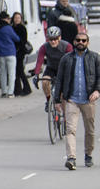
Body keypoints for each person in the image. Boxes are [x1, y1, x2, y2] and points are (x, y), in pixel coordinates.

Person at [53, 32, 100, 170]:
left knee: (90, 130)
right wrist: (57, 100)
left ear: (87, 43)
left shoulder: (95, 58)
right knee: (70, 129)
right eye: (78, 40)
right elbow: (60, 79)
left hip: (88, 99)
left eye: (83, 40)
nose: (81, 42)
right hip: (71, 99)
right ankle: (71, 158)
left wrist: (97, 91)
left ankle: (88, 154)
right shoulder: (66, 59)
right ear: (74, 42)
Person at [33, 26, 73, 109]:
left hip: (63, 69)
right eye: (51, 39)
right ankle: (48, 101)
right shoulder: (44, 47)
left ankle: (65, 118)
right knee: (44, 81)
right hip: (51, 68)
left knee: (62, 95)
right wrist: (36, 74)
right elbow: (39, 61)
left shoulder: (67, 46)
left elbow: (72, 61)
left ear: (60, 38)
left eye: (55, 39)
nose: (53, 41)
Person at [0, 12, 21, 97]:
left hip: (1, 54)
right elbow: (17, 39)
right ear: (4, 19)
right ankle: (10, 93)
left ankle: (4, 91)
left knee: (3, 73)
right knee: (12, 73)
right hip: (10, 53)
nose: (9, 20)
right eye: (8, 19)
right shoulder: (8, 28)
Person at [11, 12, 32, 96]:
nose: (17, 19)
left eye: (18, 18)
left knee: (19, 71)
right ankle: (18, 90)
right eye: (15, 18)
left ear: (21, 19)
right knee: (17, 72)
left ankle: (26, 89)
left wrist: (18, 47)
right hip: (14, 51)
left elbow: (23, 41)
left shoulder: (22, 28)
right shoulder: (12, 27)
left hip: (20, 52)